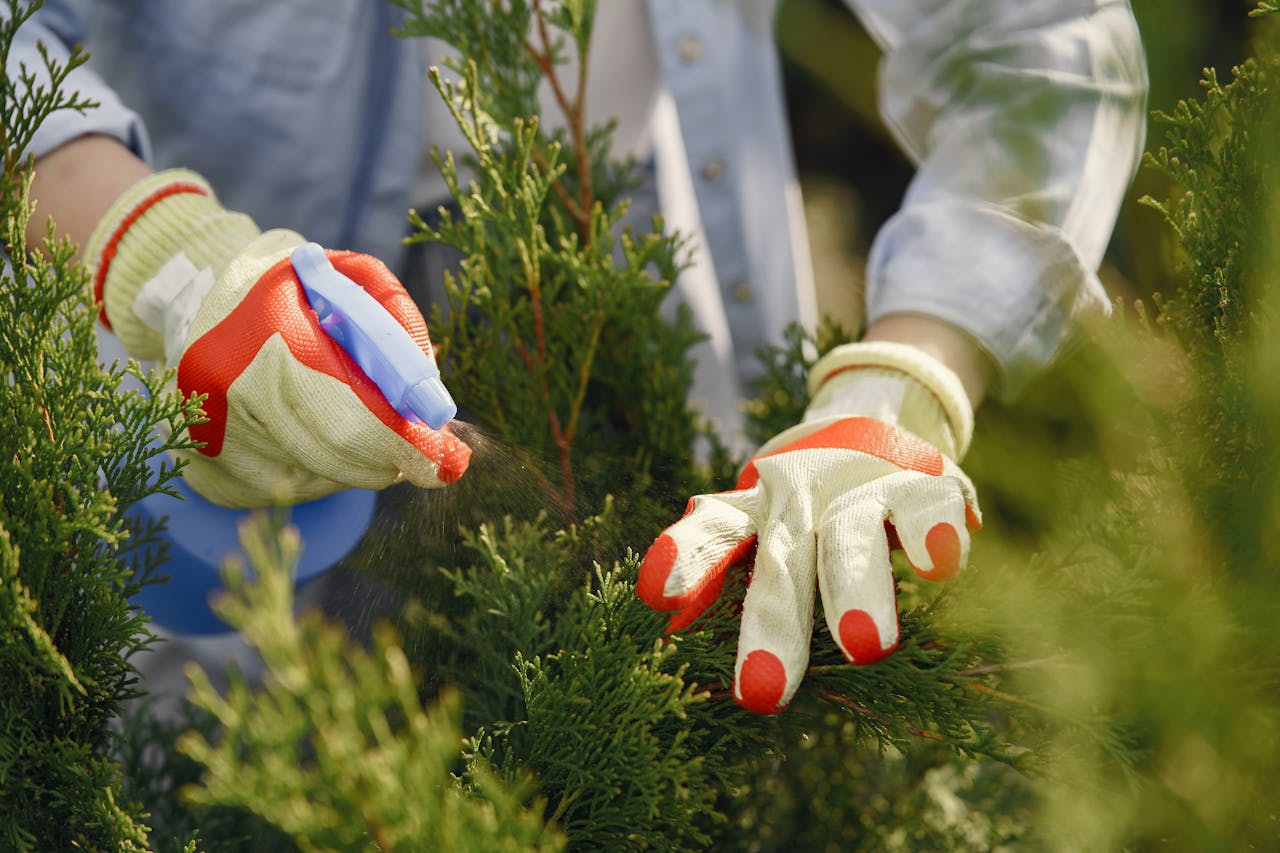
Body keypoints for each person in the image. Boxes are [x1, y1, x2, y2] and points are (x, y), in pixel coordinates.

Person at [10, 1, 1148, 715]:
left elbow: (1037, 45)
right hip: (199, 359)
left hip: (638, 304)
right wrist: (148, 249)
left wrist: (897, 381)